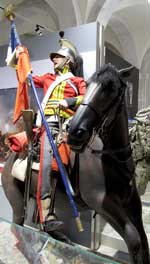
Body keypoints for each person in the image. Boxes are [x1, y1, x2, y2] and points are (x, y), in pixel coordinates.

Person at [32, 38, 86, 232]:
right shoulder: (47, 78)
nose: (54, 59)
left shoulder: (77, 81)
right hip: (49, 125)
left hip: (69, 127)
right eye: (54, 57)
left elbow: (86, 98)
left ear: (69, 60)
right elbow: (27, 78)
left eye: (58, 56)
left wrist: (69, 102)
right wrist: (19, 56)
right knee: (47, 163)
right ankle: (45, 213)